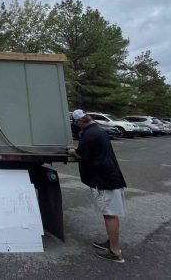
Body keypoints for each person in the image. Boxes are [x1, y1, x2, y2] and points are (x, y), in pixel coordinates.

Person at [67, 109, 127, 263]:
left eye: (76, 123)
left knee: (110, 214)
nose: (77, 126)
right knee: (111, 213)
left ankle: (114, 251)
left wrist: (73, 151)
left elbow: (82, 155)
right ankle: (111, 242)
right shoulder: (98, 130)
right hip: (111, 176)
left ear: (80, 121)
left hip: (104, 180)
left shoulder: (88, 135)